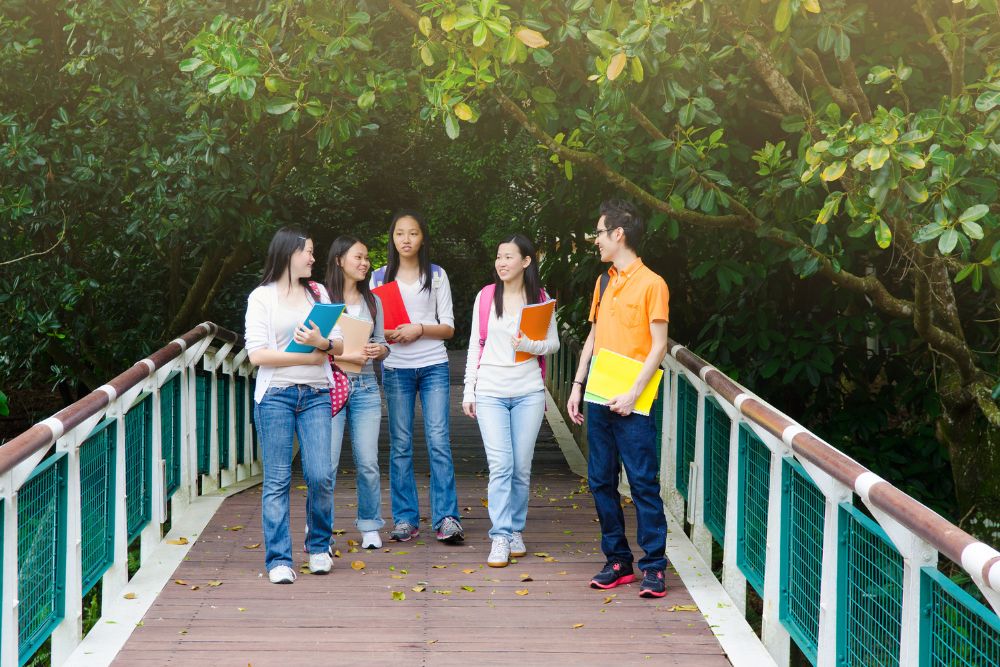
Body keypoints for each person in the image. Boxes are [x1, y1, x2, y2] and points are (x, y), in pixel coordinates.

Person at [566, 200, 670, 598]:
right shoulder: (603, 282)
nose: (595, 240)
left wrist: (633, 392)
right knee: (600, 481)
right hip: (597, 396)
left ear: (618, 234)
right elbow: (593, 337)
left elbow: (658, 346)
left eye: (599, 232)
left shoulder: (653, 284)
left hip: (634, 401)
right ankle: (617, 560)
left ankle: (655, 566)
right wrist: (577, 385)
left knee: (642, 483)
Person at [245, 227, 344, 584]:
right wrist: (308, 356)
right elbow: (257, 355)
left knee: (321, 474)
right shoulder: (262, 298)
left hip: (316, 395)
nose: (313, 259)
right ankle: (279, 560)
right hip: (276, 397)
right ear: (289, 253)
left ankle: (319, 547)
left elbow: (340, 345)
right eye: (308, 252)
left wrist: (322, 343)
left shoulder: (318, 293)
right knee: (277, 479)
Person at [462, 234, 559, 568]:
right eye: (498, 257)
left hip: (528, 391)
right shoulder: (487, 296)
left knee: (521, 466)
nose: (501, 263)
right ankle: (500, 535)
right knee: (501, 465)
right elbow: (476, 344)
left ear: (526, 261)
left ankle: (516, 529)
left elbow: (553, 345)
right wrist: (468, 390)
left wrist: (530, 344)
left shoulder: (540, 299)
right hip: (490, 389)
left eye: (508, 257)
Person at [371, 210, 464, 543]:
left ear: (422, 237)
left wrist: (419, 329)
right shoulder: (379, 278)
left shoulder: (436, 275)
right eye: (399, 233)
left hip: (434, 365)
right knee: (401, 445)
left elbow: (449, 327)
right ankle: (405, 519)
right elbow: (371, 327)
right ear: (392, 238)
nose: (406, 240)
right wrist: (389, 334)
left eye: (412, 233)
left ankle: (446, 517)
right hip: (396, 369)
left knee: (439, 442)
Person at [324, 236, 390, 549]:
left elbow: (383, 345)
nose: (364, 263)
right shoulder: (320, 299)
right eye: (358, 257)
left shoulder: (373, 302)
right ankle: (321, 529)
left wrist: (380, 349)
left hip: (365, 387)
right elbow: (314, 347)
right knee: (327, 464)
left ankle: (370, 525)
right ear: (339, 260)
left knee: (368, 461)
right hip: (329, 386)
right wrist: (349, 355)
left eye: (366, 259)